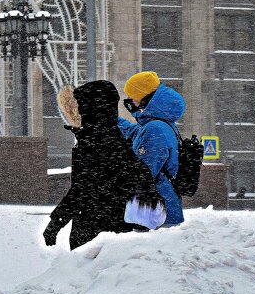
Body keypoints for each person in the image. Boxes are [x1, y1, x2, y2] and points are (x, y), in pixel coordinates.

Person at [43, 80, 163, 250]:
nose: (80, 110)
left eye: (83, 104)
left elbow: (82, 189)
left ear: (91, 107)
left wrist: (56, 223)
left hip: (97, 233)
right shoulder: (113, 137)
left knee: (91, 274)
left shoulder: (96, 141)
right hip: (114, 229)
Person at [118, 71, 186, 227]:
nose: (129, 101)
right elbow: (131, 132)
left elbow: (143, 172)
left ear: (144, 99)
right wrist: (105, 119)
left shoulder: (155, 129)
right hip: (158, 208)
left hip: (154, 213)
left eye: (133, 96)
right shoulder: (157, 125)